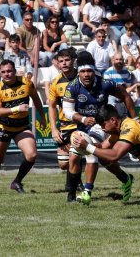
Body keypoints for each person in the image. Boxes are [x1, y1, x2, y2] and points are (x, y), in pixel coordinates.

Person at [62, 51, 137, 203]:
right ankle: (125, 178)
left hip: (102, 126)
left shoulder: (104, 83)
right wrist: (83, 118)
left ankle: (87, 193)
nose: (86, 74)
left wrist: (135, 118)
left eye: (89, 70)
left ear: (94, 70)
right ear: (78, 72)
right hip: (82, 126)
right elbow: (68, 111)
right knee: (78, 158)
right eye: (82, 71)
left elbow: (125, 95)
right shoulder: (72, 87)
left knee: (90, 151)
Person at [0, 59, 46, 195]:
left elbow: (36, 99)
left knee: (32, 155)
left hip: (22, 127)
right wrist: (16, 109)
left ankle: (17, 181)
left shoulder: (26, 83)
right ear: (0, 73)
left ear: (14, 71)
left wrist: (42, 118)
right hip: (4, 127)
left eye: (9, 71)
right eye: (3, 72)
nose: (7, 74)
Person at [48, 49, 83, 191]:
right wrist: (54, 129)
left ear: (73, 60)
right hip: (64, 126)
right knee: (63, 164)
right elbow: (51, 107)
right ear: (57, 63)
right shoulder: (55, 83)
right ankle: (77, 181)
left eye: (67, 60)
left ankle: (74, 187)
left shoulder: (82, 77)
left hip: (81, 124)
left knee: (75, 156)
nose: (64, 63)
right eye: (61, 61)